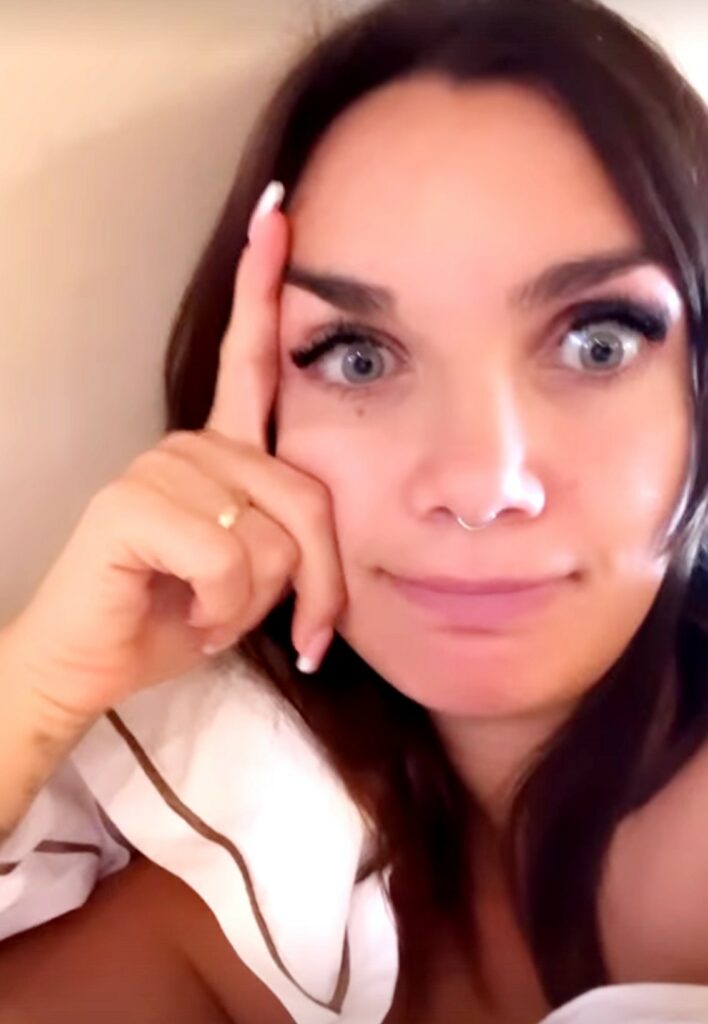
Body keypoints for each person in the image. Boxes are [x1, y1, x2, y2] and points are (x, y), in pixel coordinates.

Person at [2, 0, 708, 1020]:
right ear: (257, 413)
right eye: (359, 357)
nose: (479, 485)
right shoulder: (257, 891)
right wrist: (35, 689)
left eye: (599, 341)